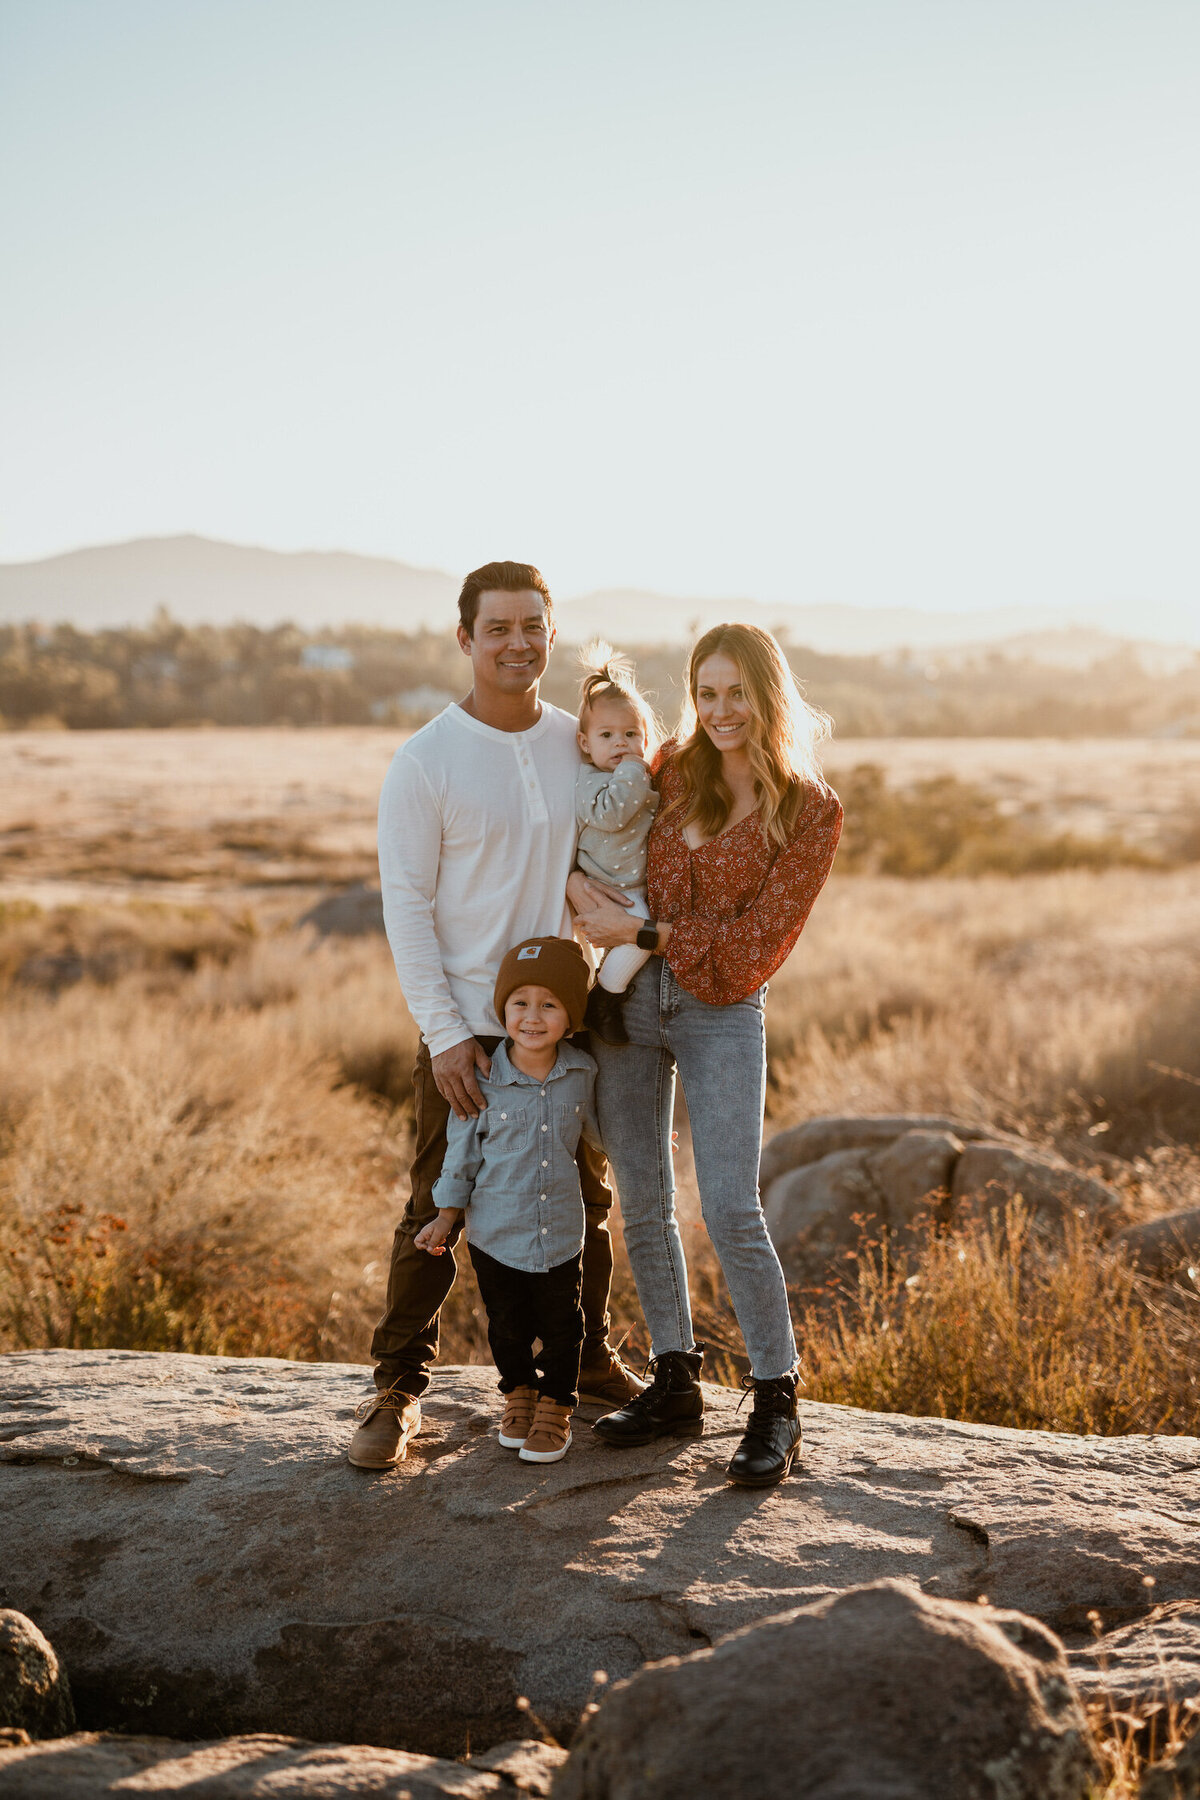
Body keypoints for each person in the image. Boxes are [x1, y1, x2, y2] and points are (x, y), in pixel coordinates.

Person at [348, 562, 643, 1471]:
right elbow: (406, 906)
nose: (518, 643)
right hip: (471, 1030)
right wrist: (443, 1034)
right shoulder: (426, 760)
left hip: (569, 1021)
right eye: (499, 627)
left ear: (552, 636)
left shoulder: (577, 741)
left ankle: (586, 1361)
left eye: (534, 627)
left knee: (585, 1200)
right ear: (466, 637)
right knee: (439, 1202)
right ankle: (396, 1391)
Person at [573, 623, 844, 1489]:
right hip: (627, 1007)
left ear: (770, 695)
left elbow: (755, 947)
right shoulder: (668, 770)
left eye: (739, 693)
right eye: (709, 692)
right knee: (644, 1202)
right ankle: (675, 1380)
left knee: (730, 1207)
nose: (722, 710)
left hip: (722, 1012)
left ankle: (776, 1402)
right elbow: (599, 845)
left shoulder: (810, 811)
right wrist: (580, 889)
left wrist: (642, 930)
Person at [415, 936, 597, 1465]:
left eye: (549, 1004)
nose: (532, 1017)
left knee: (564, 1326)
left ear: (570, 1016)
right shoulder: (483, 1079)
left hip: (560, 1232)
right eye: (520, 1003)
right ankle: (518, 1395)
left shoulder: (583, 1073)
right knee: (507, 1324)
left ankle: (556, 1406)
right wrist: (446, 1217)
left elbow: (603, 1131)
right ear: (502, 1011)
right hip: (495, 1232)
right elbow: (461, 1155)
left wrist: (647, 1135)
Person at [573, 643, 661, 1046]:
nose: (620, 743)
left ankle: (604, 992)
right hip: (602, 886)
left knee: (635, 932)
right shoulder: (592, 780)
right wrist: (632, 770)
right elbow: (612, 814)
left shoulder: (639, 777)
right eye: (607, 735)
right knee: (641, 936)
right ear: (586, 743)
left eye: (631, 734)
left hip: (632, 886)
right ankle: (604, 999)